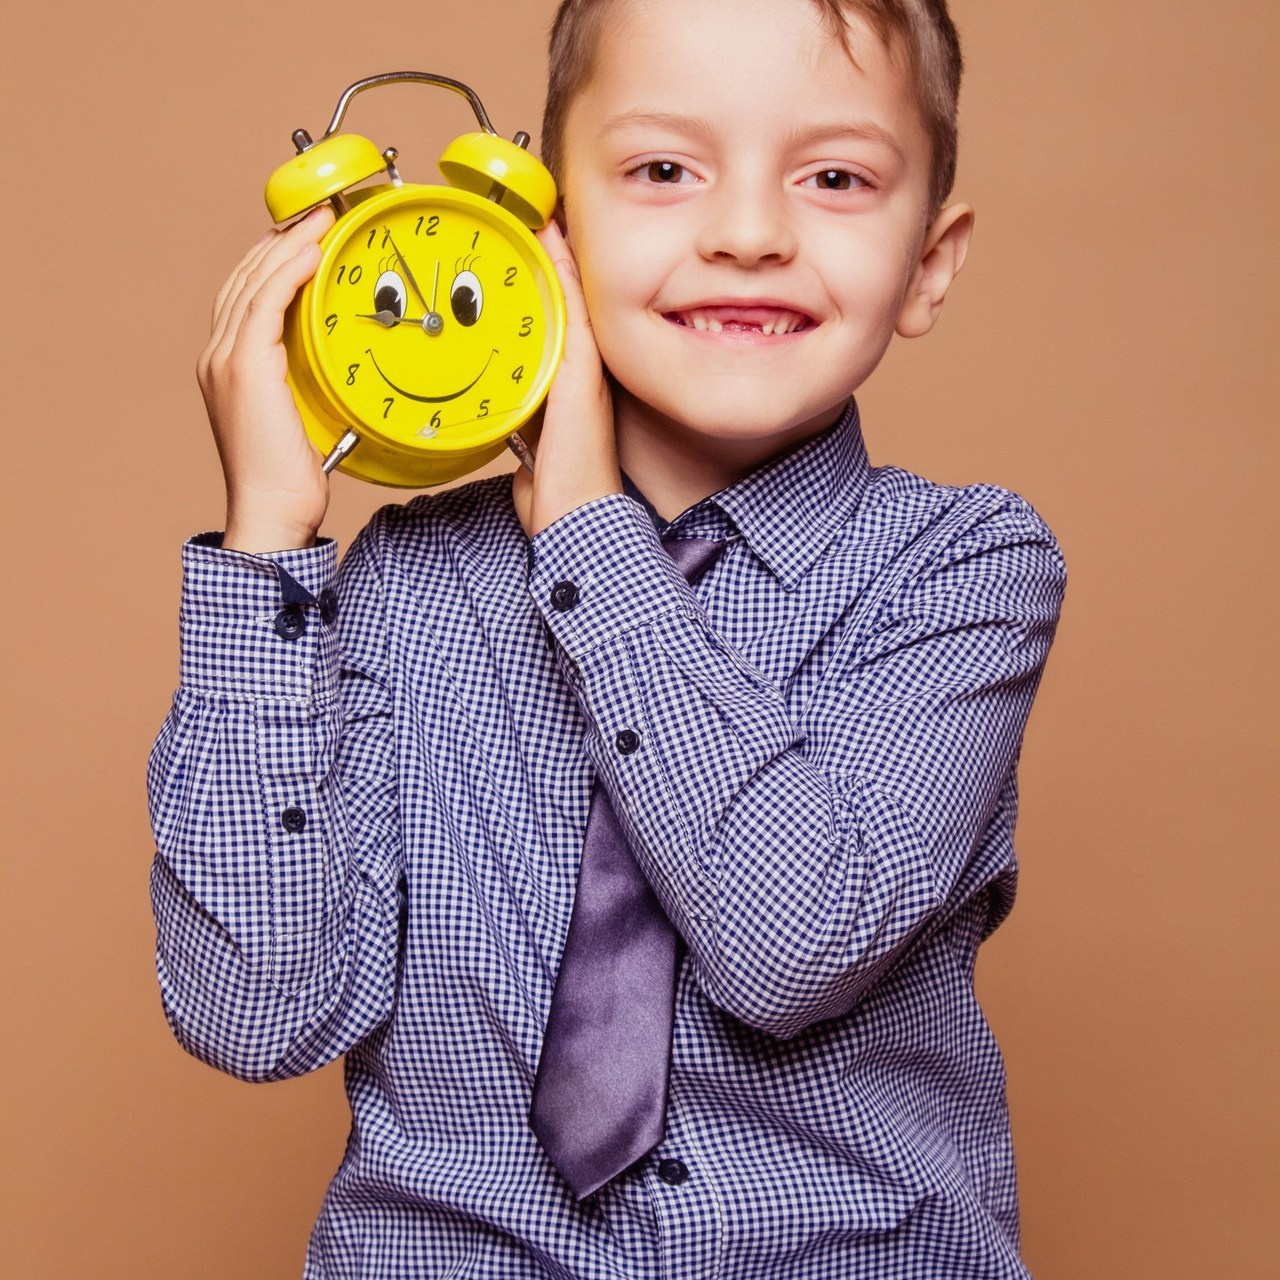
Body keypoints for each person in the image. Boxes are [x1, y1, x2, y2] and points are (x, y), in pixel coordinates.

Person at [149, 0, 1065, 1275]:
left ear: (928, 262)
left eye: (836, 177)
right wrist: (266, 543)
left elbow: (790, 937)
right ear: (545, 231)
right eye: (661, 170)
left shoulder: (963, 572)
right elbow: (256, 1008)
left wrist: (586, 528)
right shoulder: (412, 583)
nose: (746, 233)